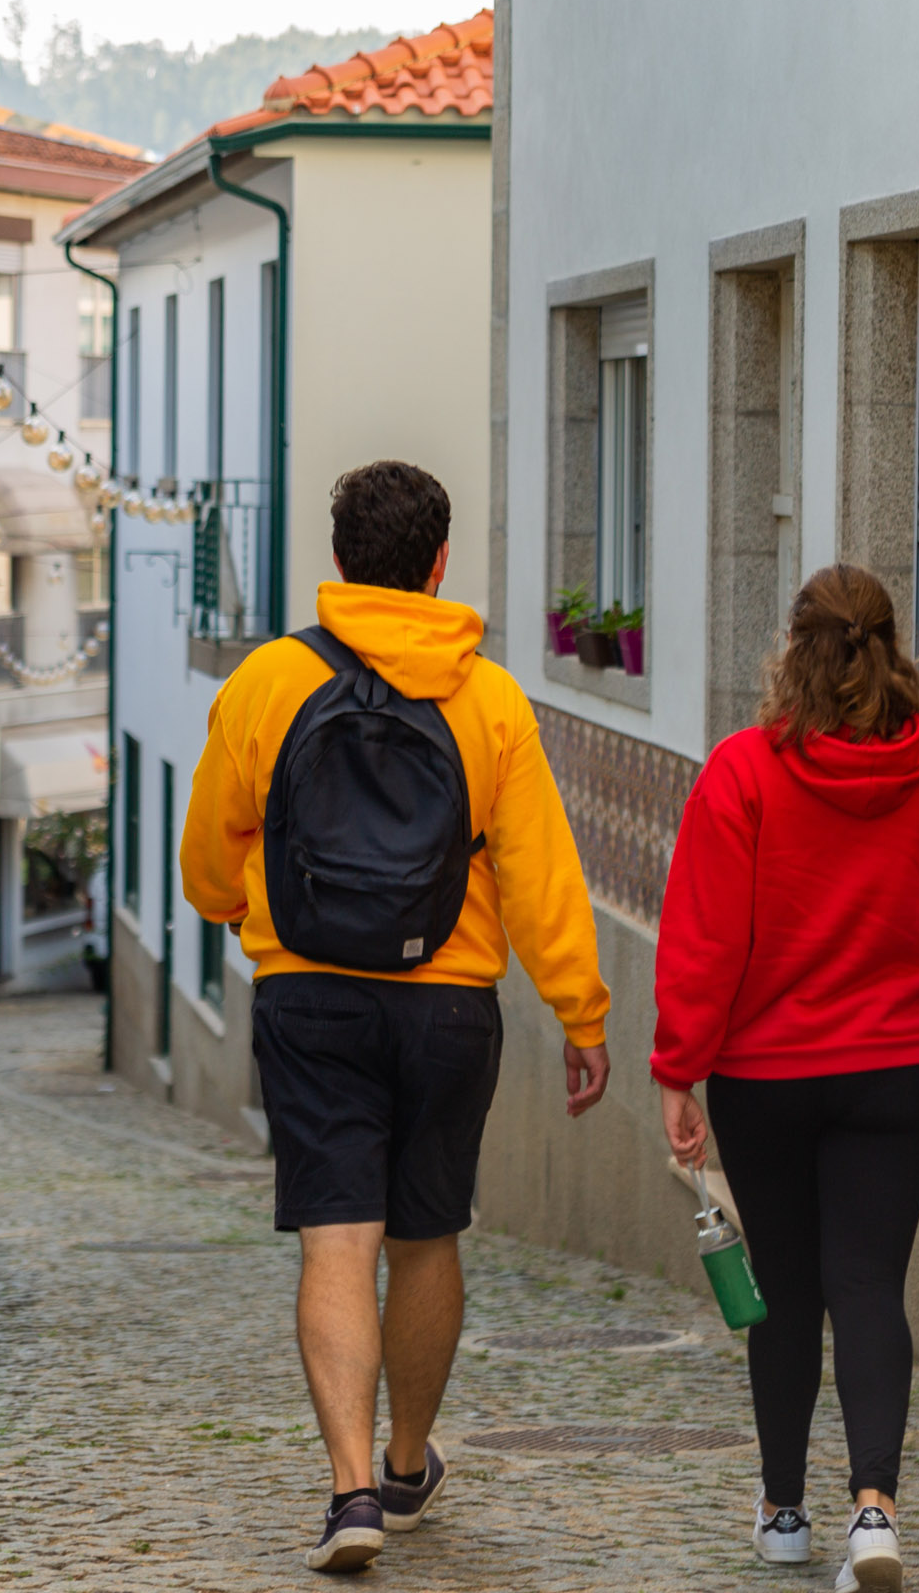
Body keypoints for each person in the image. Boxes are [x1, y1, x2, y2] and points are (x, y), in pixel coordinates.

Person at [181, 460, 611, 1574]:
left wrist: (242, 913)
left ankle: (349, 1489)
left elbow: (206, 852)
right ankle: (410, 1460)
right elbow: (539, 873)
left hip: (308, 991)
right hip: (449, 1004)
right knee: (426, 1233)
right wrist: (581, 1009)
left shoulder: (269, 681)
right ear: (436, 565)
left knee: (337, 1233)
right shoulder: (491, 698)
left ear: (337, 563)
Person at [652, 564, 919, 1593]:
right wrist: (907, 940)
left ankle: (782, 1509)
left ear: (793, 649)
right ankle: (875, 1513)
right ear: (893, 650)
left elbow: (705, 940)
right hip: (902, 1067)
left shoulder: (741, 774)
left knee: (788, 1287)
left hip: (764, 1074)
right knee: (867, 1283)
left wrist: (678, 1068)